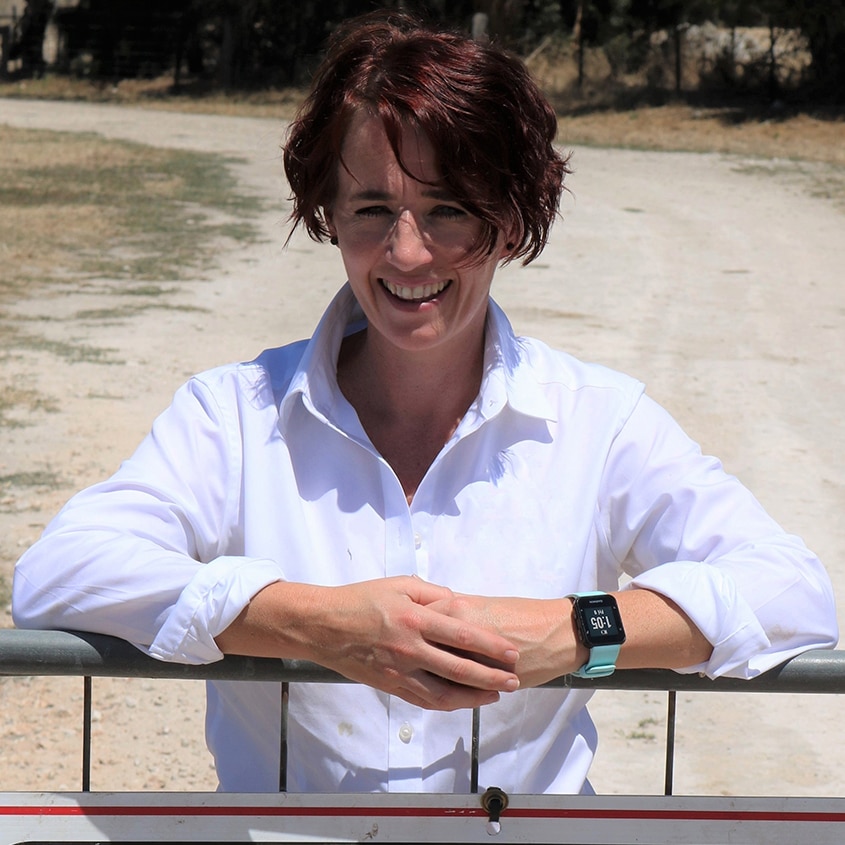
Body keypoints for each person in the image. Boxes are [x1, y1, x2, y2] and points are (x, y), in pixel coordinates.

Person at [12, 11, 838, 795]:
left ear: (512, 221)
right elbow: (61, 573)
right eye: (372, 209)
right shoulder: (231, 413)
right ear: (326, 214)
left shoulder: (599, 420)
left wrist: (576, 632)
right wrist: (315, 622)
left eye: (448, 209)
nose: (408, 252)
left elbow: (791, 595)